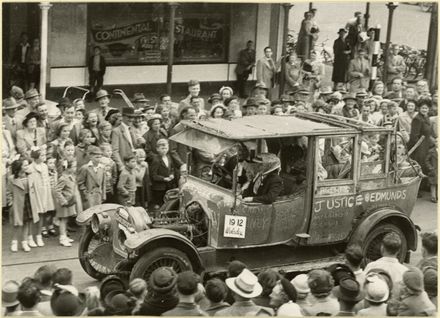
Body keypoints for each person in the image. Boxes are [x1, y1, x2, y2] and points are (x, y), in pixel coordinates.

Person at [364, 232, 408, 297]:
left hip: (374, 302)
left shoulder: (371, 266)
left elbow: (364, 287)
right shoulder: (404, 271)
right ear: (398, 251)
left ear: (382, 248)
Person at [9, 159, 36, 252]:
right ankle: (14, 242)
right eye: (24, 165)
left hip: (28, 201)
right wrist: (10, 203)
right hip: (17, 203)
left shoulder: (29, 176)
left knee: (27, 222)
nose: (27, 167)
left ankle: (24, 242)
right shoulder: (12, 178)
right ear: (19, 167)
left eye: (27, 165)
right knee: (16, 224)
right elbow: (9, 192)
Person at [150, 139, 183, 208]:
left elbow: (171, 168)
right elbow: (153, 175)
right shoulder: (155, 160)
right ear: (157, 149)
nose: (164, 150)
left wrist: (172, 174)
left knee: (167, 203)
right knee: (160, 204)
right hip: (159, 187)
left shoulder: (168, 157)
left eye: (166, 148)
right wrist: (164, 179)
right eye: (162, 148)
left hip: (168, 185)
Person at [408, 99, 433, 181]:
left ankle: (423, 186)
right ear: (418, 109)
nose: (424, 110)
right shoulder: (417, 119)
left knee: (425, 164)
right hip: (420, 147)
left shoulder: (426, 118)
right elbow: (414, 136)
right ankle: (418, 189)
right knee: (420, 165)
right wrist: (418, 149)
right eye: (423, 108)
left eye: (426, 108)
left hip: (426, 145)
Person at [54, 159, 77, 247]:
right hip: (64, 203)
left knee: (66, 219)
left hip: (69, 202)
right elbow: (57, 191)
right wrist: (63, 201)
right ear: (68, 168)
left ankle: (65, 235)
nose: (75, 168)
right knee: (63, 220)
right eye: (74, 167)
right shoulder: (63, 178)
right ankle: (62, 238)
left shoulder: (71, 176)